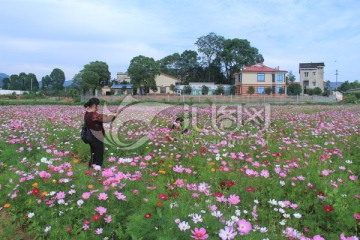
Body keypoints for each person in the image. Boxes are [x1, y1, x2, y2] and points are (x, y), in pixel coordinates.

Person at [83, 98, 116, 169]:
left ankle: (91, 169)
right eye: (98, 105)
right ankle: (96, 171)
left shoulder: (87, 113)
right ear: (95, 105)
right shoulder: (93, 114)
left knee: (94, 154)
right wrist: (114, 115)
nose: (99, 107)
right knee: (98, 156)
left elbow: (102, 116)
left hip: (91, 137)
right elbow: (107, 119)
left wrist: (111, 113)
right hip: (96, 138)